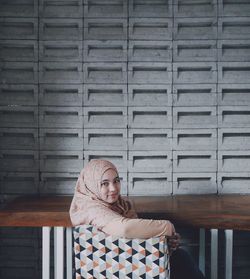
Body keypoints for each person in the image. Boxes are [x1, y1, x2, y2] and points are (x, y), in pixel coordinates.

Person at [70, 159, 205, 279]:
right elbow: (125, 229)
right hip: (112, 268)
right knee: (181, 260)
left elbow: (137, 239)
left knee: (180, 258)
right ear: (92, 185)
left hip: (129, 262)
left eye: (116, 181)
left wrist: (165, 242)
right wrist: (166, 227)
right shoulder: (90, 208)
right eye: (105, 183)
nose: (113, 188)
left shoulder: (121, 205)